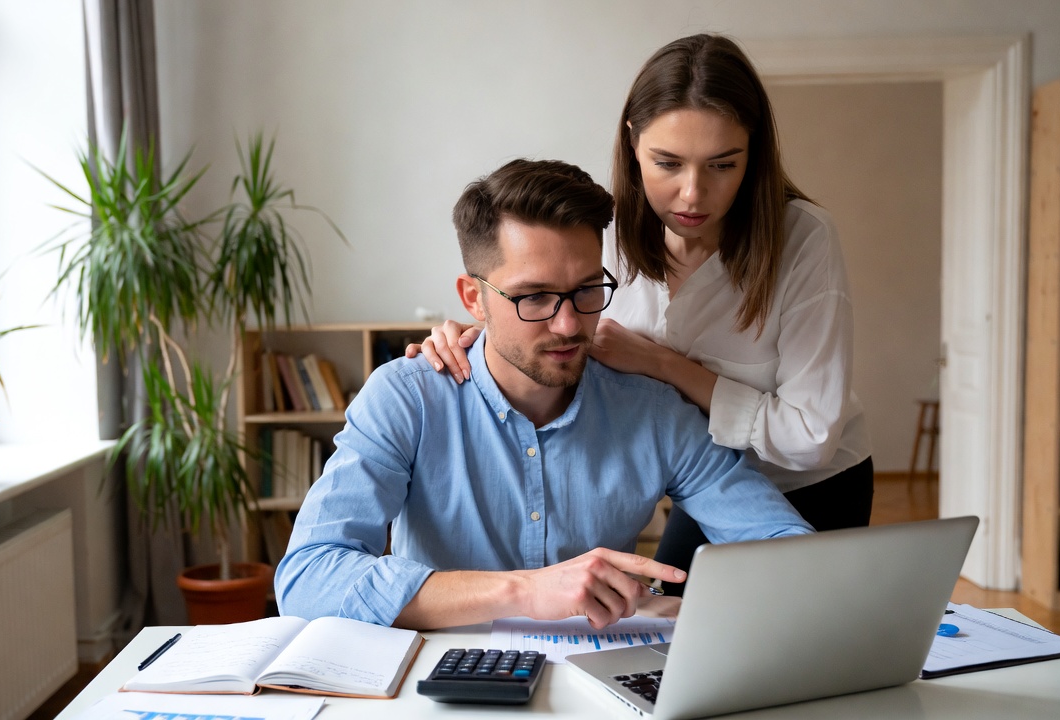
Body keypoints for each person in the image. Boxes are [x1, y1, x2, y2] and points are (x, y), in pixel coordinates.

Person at [406, 34, 874, 594]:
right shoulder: (605, 234)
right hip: (700, 476)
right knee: (679, 612)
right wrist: (479, 330)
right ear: (632, 142)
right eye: (668, 163)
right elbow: (550, 310)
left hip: (808, 482)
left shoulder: (803, 240)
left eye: (723, 164)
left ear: (753, 154)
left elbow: (809, 438)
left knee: (803, 614)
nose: (693, 194)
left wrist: (663, 364)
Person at [277, 158, 813, 630]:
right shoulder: (406, 398)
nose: (568, 324)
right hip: (438, 685)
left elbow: (789, 551)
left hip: (597, 679)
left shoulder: (650, 410)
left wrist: (694, 609)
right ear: (474, 299)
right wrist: (524, 592)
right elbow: (307, 577)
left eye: (586, 289)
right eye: (534, 296)